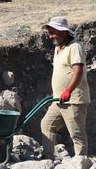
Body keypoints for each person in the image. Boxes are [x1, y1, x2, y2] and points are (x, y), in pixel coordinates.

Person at [39, 16, 90, 158]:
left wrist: (68, 90)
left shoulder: (75, 47)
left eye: (53, 32)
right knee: (47, 125)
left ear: (63, 32)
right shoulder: (58, 48)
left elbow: (78, 71)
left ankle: (81, 162)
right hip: (58, 100)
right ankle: (48, 157)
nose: (50, 36)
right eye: (49, 33)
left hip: (74, 99)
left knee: (77, 133)